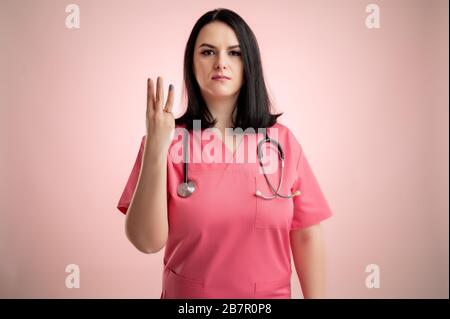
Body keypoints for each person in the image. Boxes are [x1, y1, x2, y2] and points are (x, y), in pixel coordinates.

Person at [116, 8, 333, 299]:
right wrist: (156, 148)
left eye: (234, 53)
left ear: (249, 64)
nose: (221, 63)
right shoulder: (166, 142)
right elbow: (146, 241)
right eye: (207, 52)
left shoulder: (282, 143)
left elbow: (306, 234)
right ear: (191, 63)